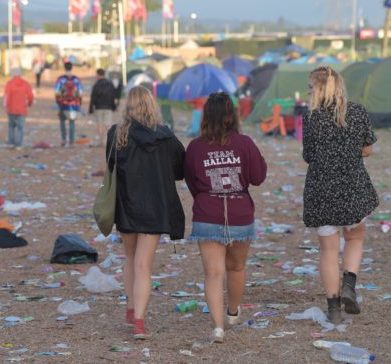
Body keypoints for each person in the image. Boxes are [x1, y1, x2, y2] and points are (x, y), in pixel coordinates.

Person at [184, 92, 267, 343]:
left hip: (207, 213)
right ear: (231, 116)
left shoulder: (195, 147)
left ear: (205, 116)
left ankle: (218, 327)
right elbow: (258, 177)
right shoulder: (245, 143)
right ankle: (232, 313)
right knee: (237, 267)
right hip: (240, 212)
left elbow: (192, 182)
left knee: (213, 273)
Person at [106, 86, 185, 340]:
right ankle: (139, 321)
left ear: (127, 107)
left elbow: (110, 167)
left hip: (126, 205)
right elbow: (180, 168)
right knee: (144, 265)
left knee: (130, 259)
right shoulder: (165, 137)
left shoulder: (115, 134)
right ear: (152, 106)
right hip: (155, 208)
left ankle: (131, 309)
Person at [302, 66, 379, 324]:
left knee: (328, 250)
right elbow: (368, 148)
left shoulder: (311, 117)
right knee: (355, 237)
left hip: (321, 190)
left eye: (311, 87)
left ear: (321, 88)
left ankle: (333, 308)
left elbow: (308, 155)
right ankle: (349, 284)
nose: (308, 91)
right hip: (352, 187)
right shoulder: (357, 111)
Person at [4, 68, 34, 149]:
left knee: (11, 126)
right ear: (20, 74)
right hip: (22, 109)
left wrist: (6, 106)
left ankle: (11, 143)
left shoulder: (9, 84)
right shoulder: (25, 84)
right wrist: (29, 103)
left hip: (11, 108)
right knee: (20, 127)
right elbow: (30, 96)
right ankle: (18, 144)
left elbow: (7, 96)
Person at [54, 62, 82, 147]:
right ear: (72, 68)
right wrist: (79, 102)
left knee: (62, 121)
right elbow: (80, 92)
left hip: (63, 103)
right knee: (72, 122)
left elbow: (57, 91)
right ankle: (71, 141)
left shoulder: (61, 79)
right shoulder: (76, 79)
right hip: (73, 104)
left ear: (64, 68)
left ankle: (63, 140)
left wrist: (58, 101)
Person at [89, 68, 116, 146]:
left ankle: (101, 141)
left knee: (100, 124)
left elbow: (93, 97)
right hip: (108, 107)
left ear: (98, 74)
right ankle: (108, 140)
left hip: (98, 107)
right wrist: (113, 106)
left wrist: (91, 108)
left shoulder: (96, 84)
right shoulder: (110, 83)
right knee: (107, 124)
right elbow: (113, 96)